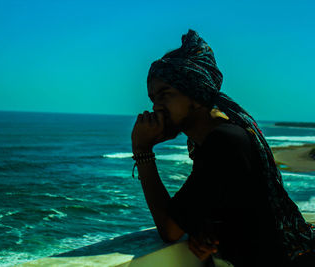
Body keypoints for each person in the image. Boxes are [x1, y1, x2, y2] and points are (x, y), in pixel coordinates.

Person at [131, 29, 315, 267]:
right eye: (153, 98)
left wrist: (142, 150)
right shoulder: (224, 133)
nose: (156, 107)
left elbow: (169, 229)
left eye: (165, 95)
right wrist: (205, 226)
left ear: (195, 94)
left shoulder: (223, 141)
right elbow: (231, 203)